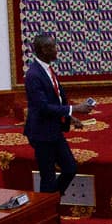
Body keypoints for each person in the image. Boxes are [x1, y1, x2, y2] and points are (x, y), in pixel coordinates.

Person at [23, 34, 94, 198]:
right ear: (44, 50)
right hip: (41, 134)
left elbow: (56, 99)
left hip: (53, 130)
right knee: (47, 178)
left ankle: (51, 200)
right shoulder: (34, 75)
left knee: (70, 168)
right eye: (53, 47)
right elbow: (43, 107)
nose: (57, 50)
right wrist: (75, 108)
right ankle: (47, 206)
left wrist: (69, 118)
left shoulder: (47, 69)